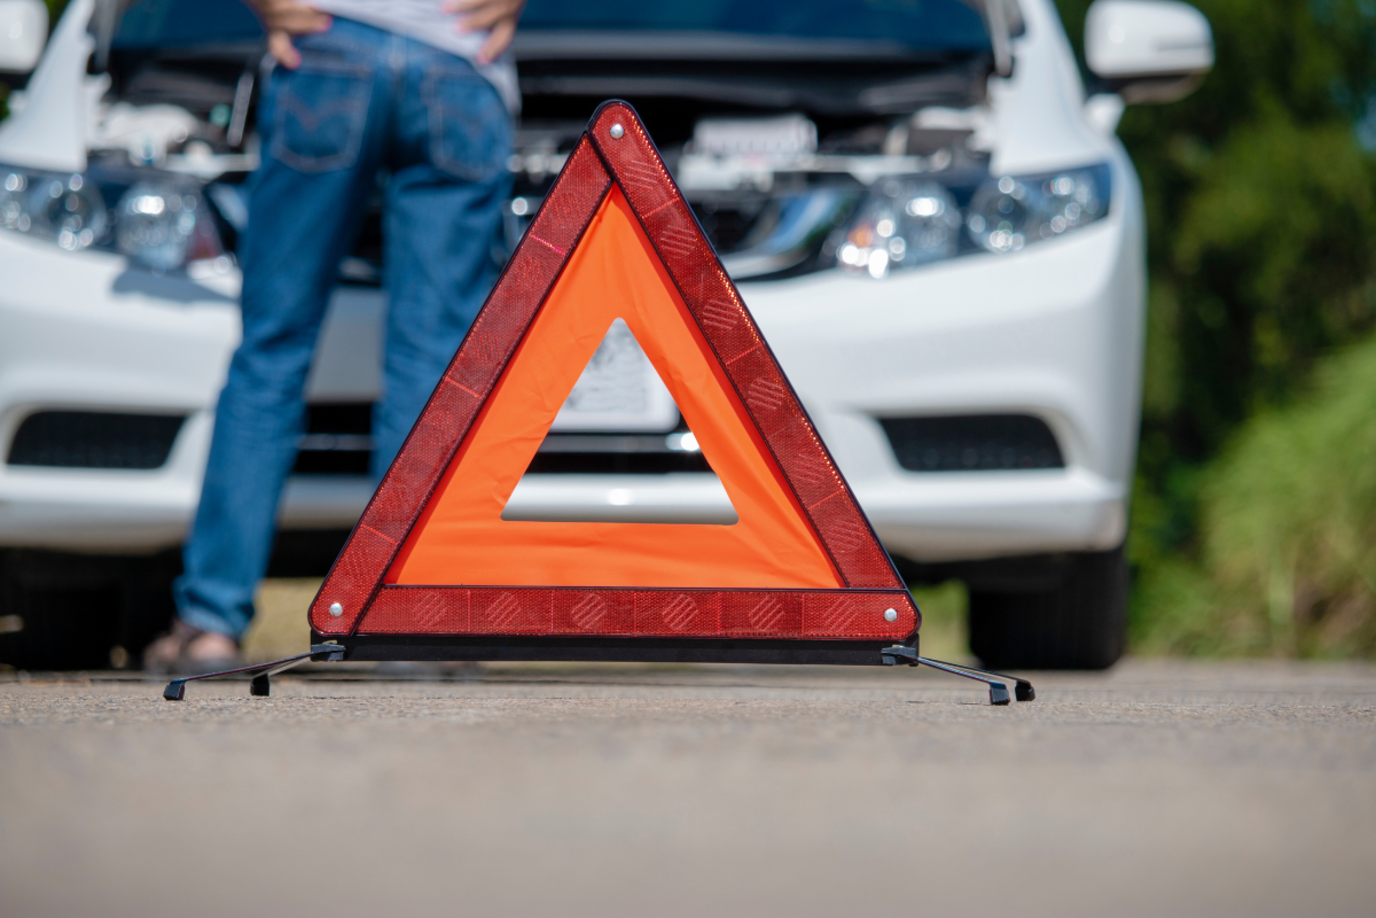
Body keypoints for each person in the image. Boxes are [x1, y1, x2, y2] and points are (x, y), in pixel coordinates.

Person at [145, 0, 525, 670]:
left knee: (273, 349)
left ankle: (210, 624)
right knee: (432, 363)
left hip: (325, 46)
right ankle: (407, 625)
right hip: (459, 59)